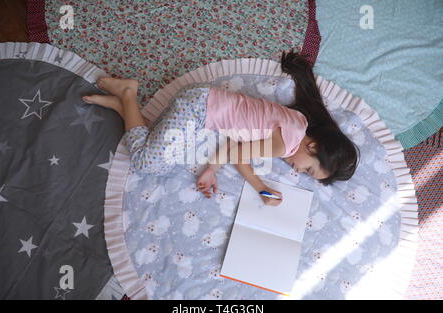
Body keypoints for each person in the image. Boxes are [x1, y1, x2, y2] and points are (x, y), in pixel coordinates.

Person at [82, 49, 359, 206]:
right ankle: (128, 93)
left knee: (168, 155)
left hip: (203, 107)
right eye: (307, 168)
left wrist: (211, 170)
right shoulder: (287, 142)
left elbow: (238, 144)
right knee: (147, 163)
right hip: (199, 109)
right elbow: (240, 155)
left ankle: (124, 109)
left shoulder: (300, 122)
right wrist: (261, 188)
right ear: (313, 146)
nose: (297, 170)